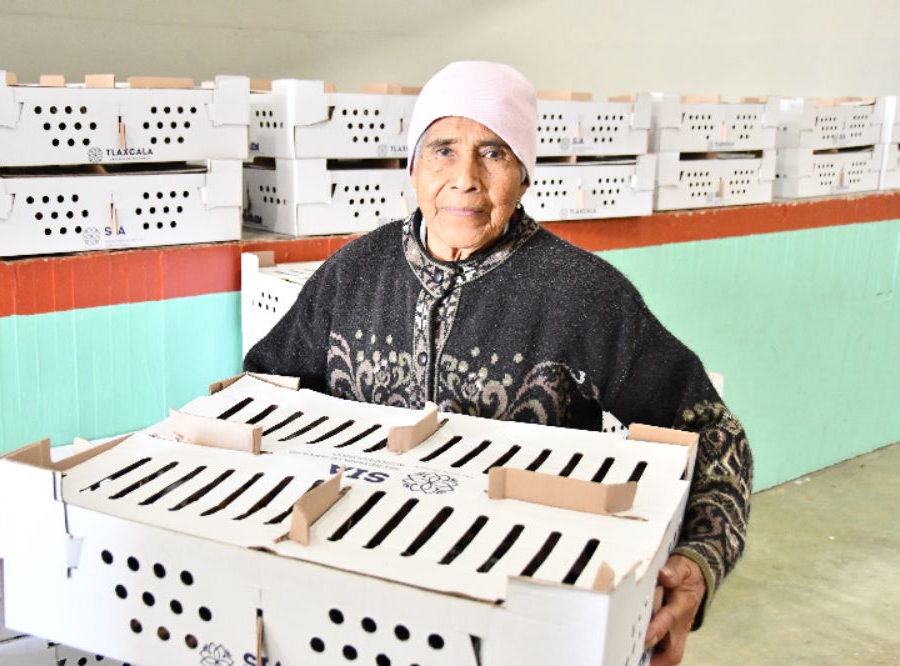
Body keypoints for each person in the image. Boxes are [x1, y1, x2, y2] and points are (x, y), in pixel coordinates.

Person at [244, 60, 752, 665]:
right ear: (412, 166)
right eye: (442, 150)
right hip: (357, 591)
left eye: (493, 153)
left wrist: (699, 562)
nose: (465, 179)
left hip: (522, 604)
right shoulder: (352, 275)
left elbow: (712, 430)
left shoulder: (583, 294)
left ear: (524, 175)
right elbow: (261, 391)